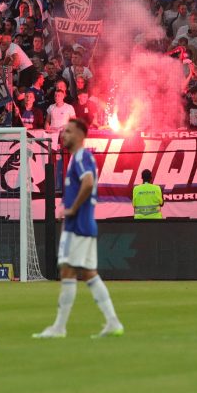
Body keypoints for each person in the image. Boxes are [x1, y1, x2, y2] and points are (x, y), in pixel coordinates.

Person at [35, 119, 124, 339]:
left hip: (78, 225)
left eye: (68, 131)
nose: (63, 135)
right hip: (82, 225)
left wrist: (72, 209)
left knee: (67, 271)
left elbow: (88, 182)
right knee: (88, 273)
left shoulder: (82, 156)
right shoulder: (75, 158)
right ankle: (112, 321)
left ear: (80, 135)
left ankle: (59, 327)